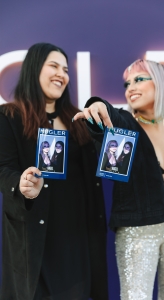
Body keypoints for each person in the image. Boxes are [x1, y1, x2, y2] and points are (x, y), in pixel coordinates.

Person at [73, 59, 164, 300]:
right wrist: (98, 106)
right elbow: (108, 115)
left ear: (161, 83)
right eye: (127, 83)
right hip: (139, 229)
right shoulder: (126, 124)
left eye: (139, 79)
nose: (130, 87)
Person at [0, 43, 108, 300]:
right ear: (34, 69)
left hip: (76, 239)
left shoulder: (78, 119)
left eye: (66, 69)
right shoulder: (10, 116)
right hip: (34, 238)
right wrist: (21, 183)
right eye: (54, 66)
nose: (62, 73)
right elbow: (3, 169)